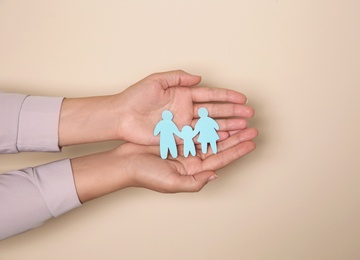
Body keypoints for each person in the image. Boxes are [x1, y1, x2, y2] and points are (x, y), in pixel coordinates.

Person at [0, 70, 257, 240]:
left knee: (187, 142)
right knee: (181, 142)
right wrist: (124, 164)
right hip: (175, 138)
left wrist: (118, 115)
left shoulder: (178, 124)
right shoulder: (169, 126)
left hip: (181, 137)